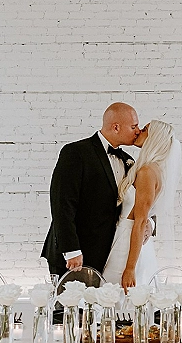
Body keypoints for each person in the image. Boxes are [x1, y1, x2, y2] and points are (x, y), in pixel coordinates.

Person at [41, 103, 140, 278]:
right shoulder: (76, 152)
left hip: (108, 254)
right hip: (74, 254)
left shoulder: (128, 161)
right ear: (116, 127)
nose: (138, 131)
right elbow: (62, 203)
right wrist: (71, 250)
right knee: (68, 304)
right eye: (133, 126)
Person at [103, 120, 181, 292]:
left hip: (128, 241)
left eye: (144, 129)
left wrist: (130, 268)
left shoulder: (147, 172)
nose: (139, 131)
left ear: (154, 138)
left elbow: (140, 221)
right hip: (125, 236)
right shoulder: (150, 169)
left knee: (116, 294)